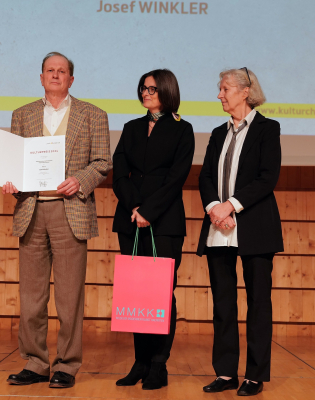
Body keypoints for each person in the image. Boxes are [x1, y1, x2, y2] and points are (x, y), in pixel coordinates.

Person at [2, 52, 112, 389]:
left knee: (69, 297)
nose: (55, 75)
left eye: (62, 71)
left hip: (71, 212)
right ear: (41, 77)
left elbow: (103, 161)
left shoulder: (93, 115)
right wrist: (10, 178)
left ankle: (67, 364)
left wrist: (80, 179)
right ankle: (35, 363)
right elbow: (13, 163)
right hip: (31, 212)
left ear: (71, 79)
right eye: (50, 70)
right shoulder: (22, 115)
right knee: (31, 298)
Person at [196, 68, 283, 396]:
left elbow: (267, 177)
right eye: (220, 89)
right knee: (223, 304)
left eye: (225, 88)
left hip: (255, 228)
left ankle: (254, 375)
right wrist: (213, 209)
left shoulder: (267, 128)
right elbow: (205, 176)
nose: (220, 94)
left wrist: (230, 205)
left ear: (245, 91)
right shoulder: (218, 133)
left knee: (258, 303)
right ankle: (225, 372)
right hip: (219, 228)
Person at [112, 69, 195, 390]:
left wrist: (149, 210)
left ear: (167, 91)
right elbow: (119, 172)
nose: (145, 93)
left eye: (152, 89)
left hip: (165, 222)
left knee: (160, 294)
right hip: (130, 220)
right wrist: (135, 207)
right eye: (143, 88)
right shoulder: (132, 127)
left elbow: (177, 177)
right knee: (136, 294)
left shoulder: (182, 129)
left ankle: (159, 364)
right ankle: (140, 362)